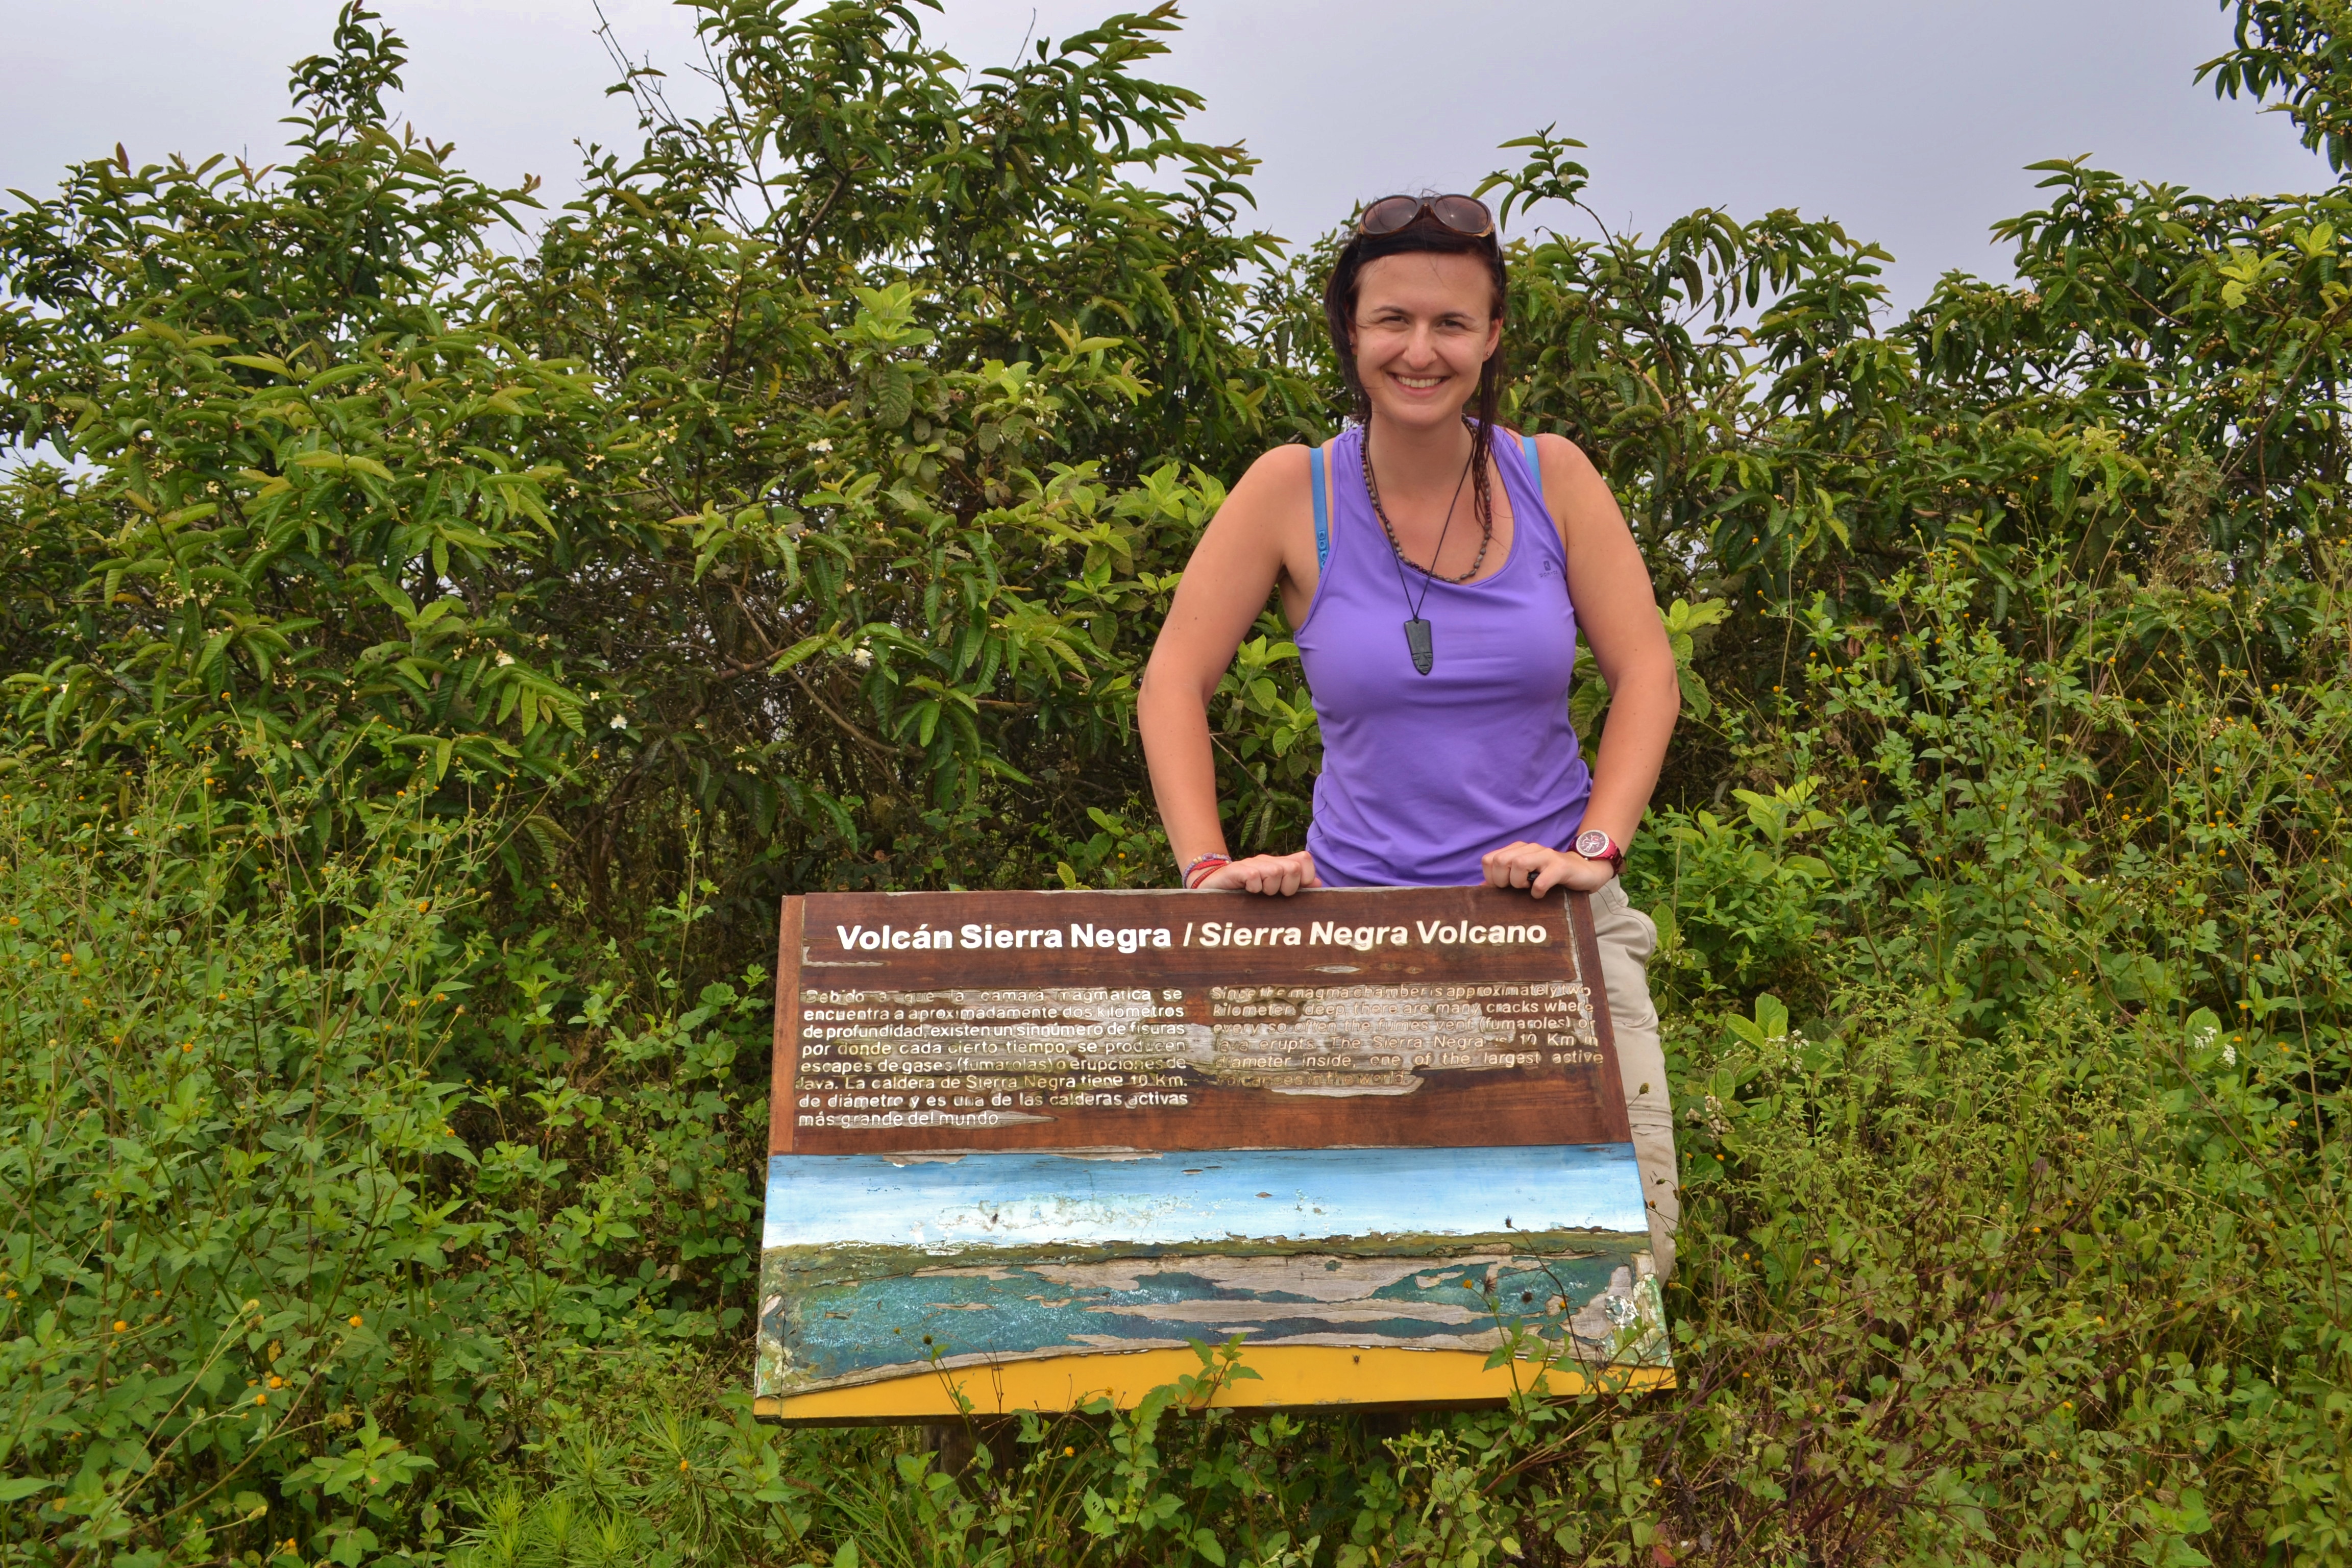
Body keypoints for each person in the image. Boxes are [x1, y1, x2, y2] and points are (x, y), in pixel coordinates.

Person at [1136, 191, 1683, 1275]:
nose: (1420, 350)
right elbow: (1170, 683)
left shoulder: (1552, 476)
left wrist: (1593, 852)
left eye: (1451, 324)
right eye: (1392, 321)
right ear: (1350, 332)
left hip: (1552, 933)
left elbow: (1648, 674)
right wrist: (1205, 867)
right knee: (1369, 1275)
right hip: (1353, 939)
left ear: (1491, 339)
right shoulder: (1293, 491)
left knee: (1621, 1261)